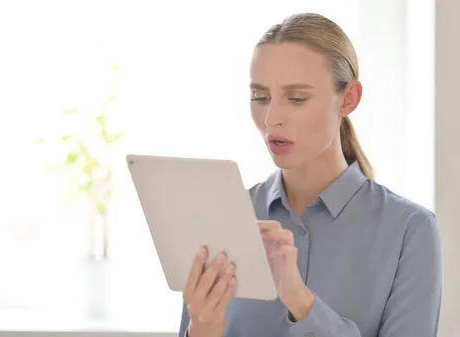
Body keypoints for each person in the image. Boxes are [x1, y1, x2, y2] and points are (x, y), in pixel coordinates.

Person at [177, 12, 442, 337]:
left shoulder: (409, 231)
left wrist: (301, 302)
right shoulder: (223, 217)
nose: (272, 118)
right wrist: (202, 330)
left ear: (348, 99)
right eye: (260, 97)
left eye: (297, 98)